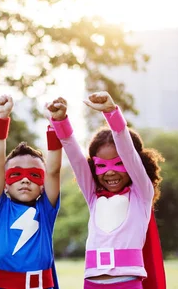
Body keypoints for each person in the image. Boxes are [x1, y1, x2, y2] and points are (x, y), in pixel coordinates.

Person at [48, 92, 166, 289]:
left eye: (118, 164)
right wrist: (60, 121)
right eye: (102, 166)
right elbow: (76, 158)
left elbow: (128, 152)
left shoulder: (141, 194)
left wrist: (112, 114)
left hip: (127, 283)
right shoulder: (93, 195)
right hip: (92, 281)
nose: (110, 172)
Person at [0, 94, 62, 289]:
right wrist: (1, 118)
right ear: (5, 183)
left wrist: (55, 124)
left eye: (34, 175)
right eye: (16, 174)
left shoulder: (46, 211)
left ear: (43, 184)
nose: (25, 180)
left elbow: (54, 171)